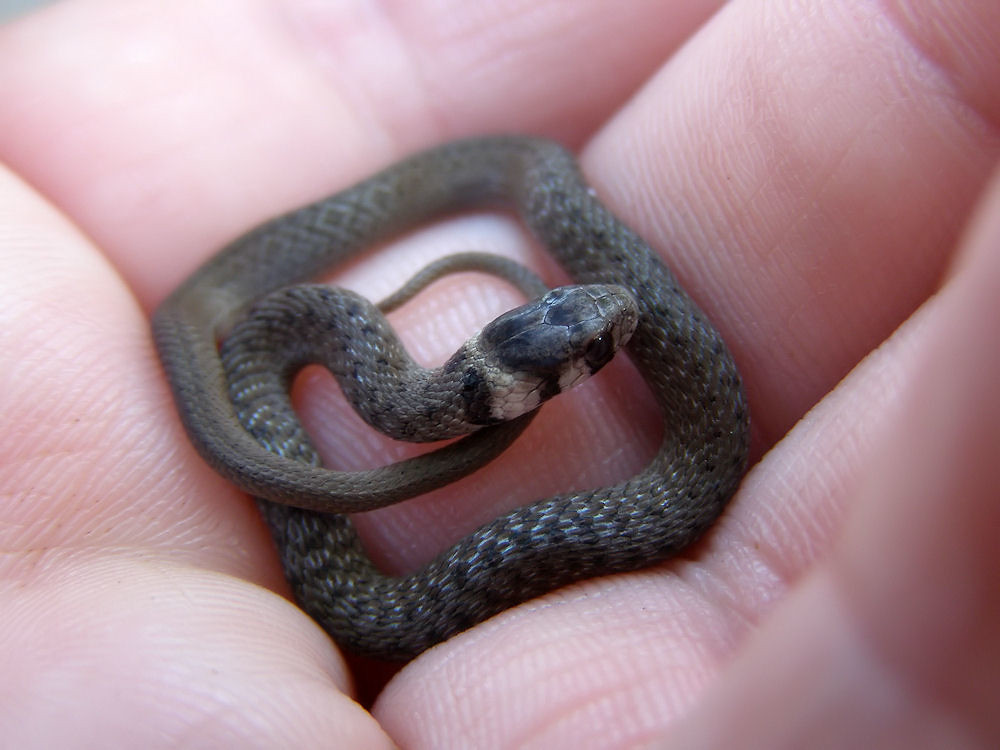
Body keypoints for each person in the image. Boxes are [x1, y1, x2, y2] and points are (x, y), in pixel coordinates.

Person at [1, 1, 997, 746]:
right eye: (586, 351)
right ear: (510, 368)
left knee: (537, 166)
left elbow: (584, 266)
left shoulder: (523, 238)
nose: (614, 320)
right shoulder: (332, 337)